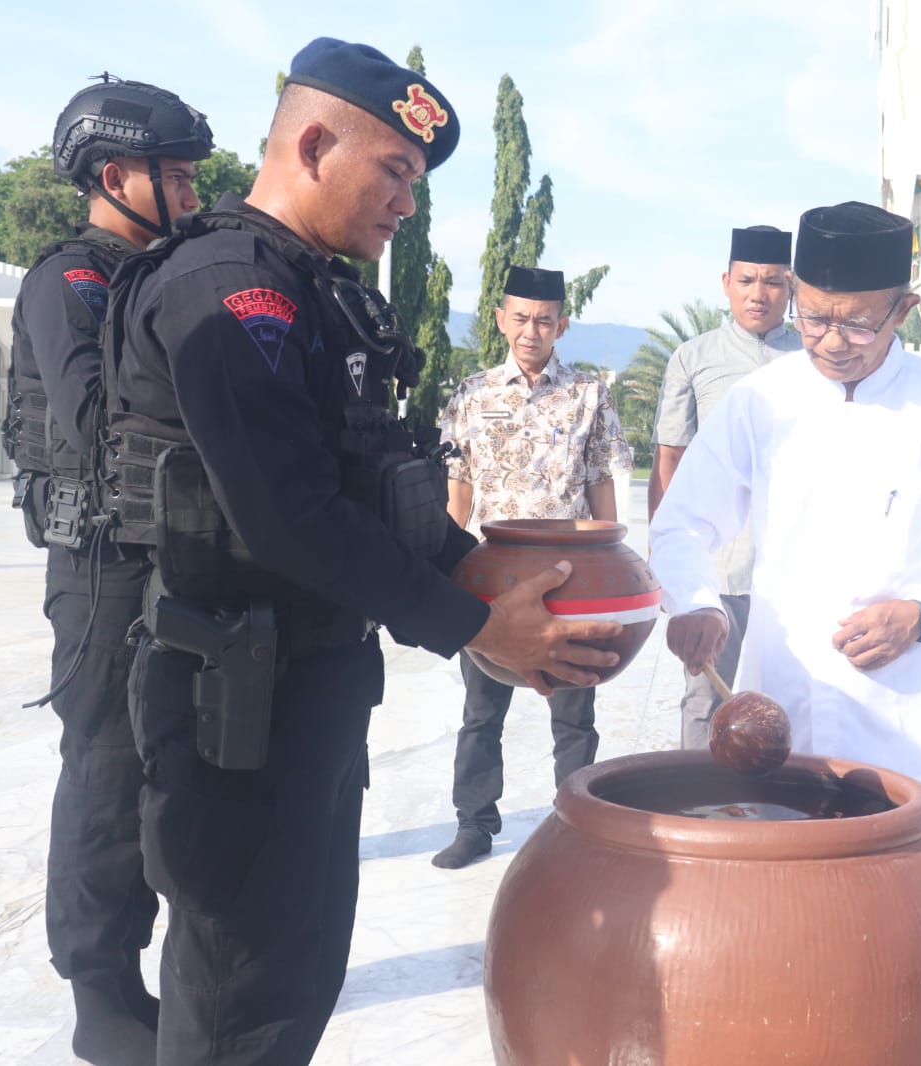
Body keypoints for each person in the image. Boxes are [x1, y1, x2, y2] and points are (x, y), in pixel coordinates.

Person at [107, 39, 621, 1064]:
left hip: (304, 695)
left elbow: (381, 490)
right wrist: (474, 625)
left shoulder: (318, 293)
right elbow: (286, 513)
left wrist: (492, 574)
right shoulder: (229, 289)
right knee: (239, 999)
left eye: (417, 184)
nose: (407, 206)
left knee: (291, 979)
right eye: (394, 171)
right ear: (311, 142)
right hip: (232, 711)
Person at [648, 201, 921, 848]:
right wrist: (696, 601)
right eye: (813, 317)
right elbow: (684, 521)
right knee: (785, 925)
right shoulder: (761, 399)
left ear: (902, 311)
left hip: (911, 733)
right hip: (783, 729)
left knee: (918, 932)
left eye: (858, 324)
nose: (832, 341)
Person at [0, 76, 211, 1066]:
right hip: (97, 568)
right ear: (115, 174)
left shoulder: (158, 274)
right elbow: (93, 421)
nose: (192, 193)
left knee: (164, 766)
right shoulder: (74, 279)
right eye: (174, 176)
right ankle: (99, 989)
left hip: (162, 558)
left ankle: (156, 968)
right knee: (103, 771)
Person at [431, 265, 633, 870]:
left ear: (562, 325)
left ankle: (578, 824)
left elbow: (600, 485)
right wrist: (446, 569)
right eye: (520, 317)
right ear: (500, 319)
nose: (531, 330)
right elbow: (458, 489)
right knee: (481, 710)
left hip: (569, 578)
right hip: (490, 576)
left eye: (544, 319)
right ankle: (474, 823)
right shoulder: (473, 394)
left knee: (574, 708)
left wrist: (612, 558)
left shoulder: (588, 394)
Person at [648, 224, 798, 750]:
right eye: (748, 280)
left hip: (793, 569)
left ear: (792, 286)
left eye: (774, 282)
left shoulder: (814, 359)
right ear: (726, 283)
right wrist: (667, 564)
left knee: (792, 697)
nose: (759, 294)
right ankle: (698, 811)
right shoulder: (693, 357)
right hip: (718, 572)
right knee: (706, 698)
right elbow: (669, 458)